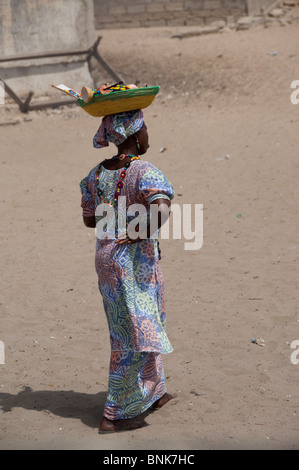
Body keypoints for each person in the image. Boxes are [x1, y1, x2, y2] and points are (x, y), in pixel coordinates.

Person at [80, 109, 175, 432]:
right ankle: (115, 414)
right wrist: (137, 231)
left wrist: (115, 214)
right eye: (145, 129)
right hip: (133, 263)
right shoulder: (145, 170)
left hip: (107, 260)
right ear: (134, 135)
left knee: (146, 324)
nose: (149, 135)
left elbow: (90, 219)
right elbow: (161, 207)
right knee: (134, 332)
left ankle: (155, 392)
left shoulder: (95, 174)